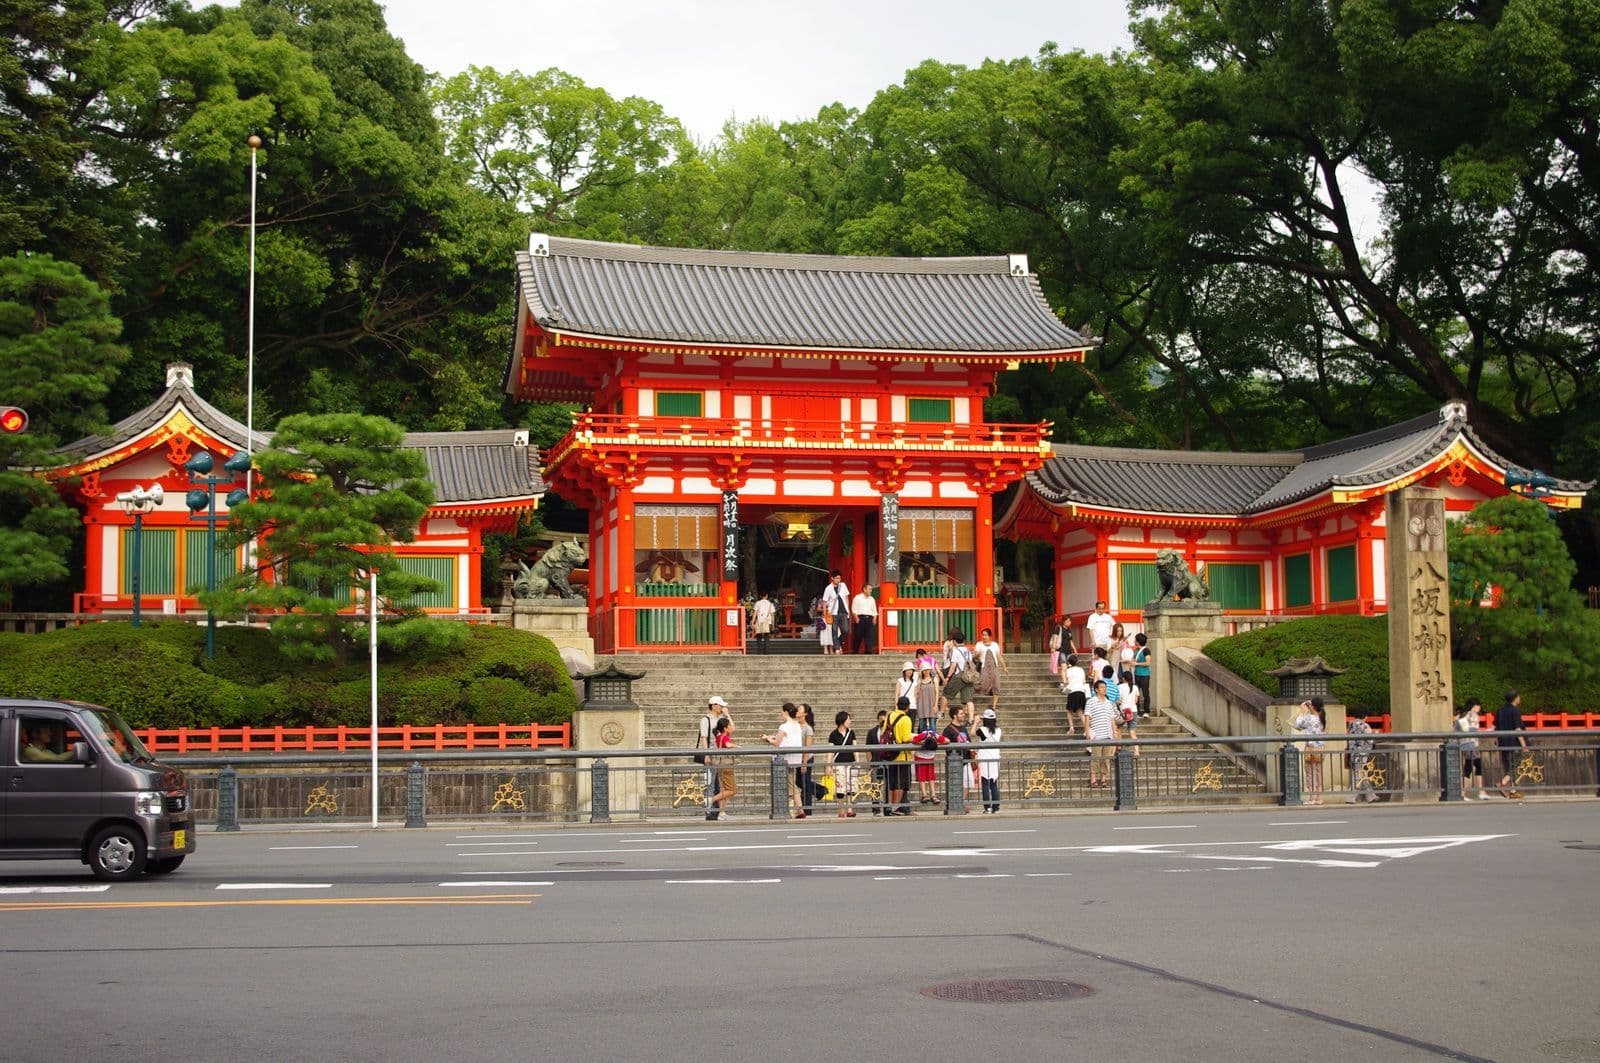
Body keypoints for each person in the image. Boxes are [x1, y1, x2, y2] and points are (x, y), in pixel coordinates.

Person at [761, 703, 808, 818]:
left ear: (786, 712)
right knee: (791, 784)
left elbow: (777, 743)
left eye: (782, 711)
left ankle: (797, 810)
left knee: (789, 785)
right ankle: (799, 810)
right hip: (795, 758)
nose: (781, 713)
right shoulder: (797, 725)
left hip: (784, 760)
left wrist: (767, 738)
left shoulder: (784, 726)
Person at [698, 696, 731, 818]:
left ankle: (717, 810)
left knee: (719, 784)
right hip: (711, 754)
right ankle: (709, 809)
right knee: (710, 783)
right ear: (713, 705)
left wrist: (727, 715)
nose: (722, 708)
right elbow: (704, 737)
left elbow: (731, 729)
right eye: (720, 706)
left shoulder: (721, 718)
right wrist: (706, 753)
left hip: (720, 755)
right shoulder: (706, 719)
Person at [1083, 679, 1118, 789]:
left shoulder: (1109, 703)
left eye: (1105, 687)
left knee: (1106, 758)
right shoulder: (1091, 702)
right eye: (1102, 687)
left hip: (1107, 734)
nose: (1104, 689)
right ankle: (1093, 779)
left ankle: (1103, 779)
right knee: (1095, 757)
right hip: (1096, 735)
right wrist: (1087, 730)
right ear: (1096, 689)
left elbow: (1112, 719)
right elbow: (1087, 717)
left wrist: (1114, 732)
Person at [884, 695, 915, 815]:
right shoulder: (906, 719)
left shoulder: (890, 715)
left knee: (892, 783)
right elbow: (906, 738)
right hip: (902, 755)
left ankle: (889, 807)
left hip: (890, 753)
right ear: (907, 707)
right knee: (900, 783)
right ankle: (895, 808)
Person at [1494, 690, 1527, 799]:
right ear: (1515, 698)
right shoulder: (1515, 711)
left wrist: (1497, 740)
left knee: (1508, 766)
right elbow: (1517, 728)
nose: (1520, 699)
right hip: (1514, 743)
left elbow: (1496, 728)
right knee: (1517, 766)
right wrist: (1524, 745)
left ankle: (1513, 791)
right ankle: (1502, 783)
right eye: (1519, 697)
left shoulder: (1500, 711)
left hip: (1503, 742)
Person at [1293, 698, 1326, 804]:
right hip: (1320, 748)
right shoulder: (1322, 717)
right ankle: (1319, 798)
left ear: (1313, 706)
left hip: (1310, 748)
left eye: (1310, 704)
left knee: (1310, 772)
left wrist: (1302, 711)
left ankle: (1312, 798)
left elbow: (1297, 724)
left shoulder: (1310, 718)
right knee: (1318, 772)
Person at [705, 716, 738, 820]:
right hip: (726, 766)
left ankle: (721, 812)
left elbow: (733, 729)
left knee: (723, 790)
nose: (731, 728)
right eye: (728, 726)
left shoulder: (718, 737)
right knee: (732, 790)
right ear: (725, 728)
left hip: (720, 766)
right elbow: (727, 745)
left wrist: (728, 715)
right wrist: (737, 747)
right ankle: (710, 800)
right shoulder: (725, 737)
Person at [1454, 698, 1487, 799]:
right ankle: (1466, 793)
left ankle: (1479, 791)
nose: (1479, 708)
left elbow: (1457, 728)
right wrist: (1487, 730)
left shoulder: (1462, 714)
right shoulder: (1473, 714)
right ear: (1474, 706)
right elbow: (1473, 730)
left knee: (1474, 765)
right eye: (1479, 706)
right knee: (1471, 767)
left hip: (1463, 743)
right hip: (1472, 743)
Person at [943, 703, 975, 806]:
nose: (963, 715)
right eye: (961, 713)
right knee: (956, 783)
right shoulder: (948, 730)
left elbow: (968, 742)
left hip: (965, 760)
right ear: (954, 715)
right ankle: (956, 803)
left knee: (968, 782)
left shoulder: (963, 728)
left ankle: (961, 801)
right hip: (955, 761)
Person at [828, 710, 858, 818]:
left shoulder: (851, 732)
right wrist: (829, 765)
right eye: (848, 719)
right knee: (840, 788)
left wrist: (857, 761)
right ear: (842, 720)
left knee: (851, 787)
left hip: (850, 762)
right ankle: (841, 809)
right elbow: (830, 751)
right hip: (839, 764)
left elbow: (855, 748)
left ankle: (849, 809)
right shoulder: (833, 734)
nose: (850, 721)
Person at [972, 628, 1008, 715]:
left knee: (997, 685)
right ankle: (970, 697)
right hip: (983, 667)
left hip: (994, 667)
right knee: (982, 685)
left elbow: (999, 656)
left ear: (990, 636)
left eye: (985, 635)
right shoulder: (979, 644)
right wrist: (976, 654)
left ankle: (994, 706)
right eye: (983, 635)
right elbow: (974, 657)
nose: (984, 637)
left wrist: (1004, 667)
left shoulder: (995, 645)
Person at [1346, 711, 1377, 803]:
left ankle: (1371, 796)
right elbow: (1370, 740)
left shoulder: (1351, 724)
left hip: (1353, 751)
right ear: (1365, 716)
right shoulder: (1364, 725)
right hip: (1362, 752)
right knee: (1358, 774)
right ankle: (1351, 797)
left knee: (1360, 772)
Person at [974, 708, 1002, 813]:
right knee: (994, 783)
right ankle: (996, 807)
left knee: (985, 783)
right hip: (995, 758)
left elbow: (972, 733)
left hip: (985, 758)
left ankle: (987, 807)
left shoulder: (982, 730)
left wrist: (976, 722)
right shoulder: (999, 730)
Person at [866, 709, 891, 815]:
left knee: (887, 785)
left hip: (887, 762)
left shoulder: (890, 731)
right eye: (881, 719)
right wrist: (869, 762)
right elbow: (867, 749)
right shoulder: (872, 732)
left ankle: (887, 808)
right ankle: (876, 808)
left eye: (884, 719)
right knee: (875, 786)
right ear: (877, 720)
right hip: (875, 762)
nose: (882, 721)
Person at [942, 632, 976, 706]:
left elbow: (953, 665)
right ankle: (970, 717)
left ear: (954, 641)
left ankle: (941, 715)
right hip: (969, 676)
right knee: (968, 700)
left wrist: (948, 677)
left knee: (946, 694)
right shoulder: (968, 650)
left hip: (959, 676)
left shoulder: (956, 651)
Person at [822, 571, 851, 652]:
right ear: (832, 578)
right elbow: (824, 601)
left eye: (840, 578)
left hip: (844, 611)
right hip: (833, 612)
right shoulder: (828, 588)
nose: (839, 580)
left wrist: (848, 609)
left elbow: (846, 597)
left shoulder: (843, 585)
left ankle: (838, 643)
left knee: (845, 630)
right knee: (834, 631)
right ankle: (837, 649)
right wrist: (825, 613)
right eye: (837, 578)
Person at [798, 703, 819, 814]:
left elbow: (808, 747)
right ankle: (820, 790)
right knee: (799, 782)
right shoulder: (796, 726)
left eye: (799, 709)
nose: (797, 711)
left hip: (806, 758)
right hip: (797, 758)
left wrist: (804, 763)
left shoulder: (808, 729)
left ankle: (807, 811)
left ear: (805, 713)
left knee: (805, 784)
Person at [1062, 653, 1089, 735]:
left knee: (1069, 711)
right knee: (1081, 711)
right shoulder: (1081, 670)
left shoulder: (1068, 670)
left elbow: (1066, 681)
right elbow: (1084, 681)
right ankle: (1086, 729)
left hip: (1072, 691)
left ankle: (1072, 728)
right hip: (1081, 691)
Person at [1117, 669, 1141, 758]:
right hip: (1133, 711)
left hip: (1123, 711)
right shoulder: (1135, 687)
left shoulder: (1120, 687)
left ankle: (1119, 746)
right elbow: (1136, 700)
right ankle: (1136, 751)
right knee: (1132, 732)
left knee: (1118, 728)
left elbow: (1118, 700)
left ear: (1123, 678)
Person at [850, 583, 878, 654]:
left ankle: (868, 651)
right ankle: (855, 651)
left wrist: (875, 618)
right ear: (864, 589)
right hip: (860, 618)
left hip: (869, 619)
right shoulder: (857, 598)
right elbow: (854, 609)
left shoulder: (872, 599)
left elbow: (874, 610)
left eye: (871, 589)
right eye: (869, 589)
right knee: (858, 636)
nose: (871, 591)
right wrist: (856, 618)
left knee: (869, 636)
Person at [914, 664, 940, 734]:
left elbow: (937, 693)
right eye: (924, 670)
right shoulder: (920, 680)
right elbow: (917, 693)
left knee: (932, 726)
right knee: (922, 726)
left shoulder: (934, 679)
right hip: (922, 704)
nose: (926, 671)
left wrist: (936, 705)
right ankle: (923, 740)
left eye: (928, 669)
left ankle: (933, 740)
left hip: (932, 704)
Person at [1132, 633, 1151, 714]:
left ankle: (1146, 711)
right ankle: (1137, 710)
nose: (1134, 641)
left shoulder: (1146, 650)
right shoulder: (1135, 650)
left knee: (1145, 693)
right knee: (1136, 693)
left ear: (1138, 642)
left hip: (1145, 675)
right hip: (1136, 674)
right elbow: (1133, 661)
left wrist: (1136, 664)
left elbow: (1148, 663)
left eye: (1135, 640)